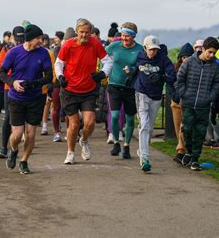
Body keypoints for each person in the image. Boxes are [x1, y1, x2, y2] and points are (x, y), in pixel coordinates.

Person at [55, 18, 113, 164]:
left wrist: (102, 74)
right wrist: (60, 76)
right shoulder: (68, 45)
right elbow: (59, 63)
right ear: (76, 32)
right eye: (81, 32)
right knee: (74, 124)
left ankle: (84, 140)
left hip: (88, 89)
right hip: (70, 89)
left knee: (90, 122)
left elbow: (108, 61)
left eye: (87, 32)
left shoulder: (95, 43)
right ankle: (70, 153)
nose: (84, 35)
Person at [0, 24, 53, 174]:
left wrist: (33, 83)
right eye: (38, 38)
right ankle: (14, 150)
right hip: (16, 97)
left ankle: (24, 161)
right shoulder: (14, 53)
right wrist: (13, 83)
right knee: (17, 134)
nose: (41, 41)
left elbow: (49, 77)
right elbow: (1, 72)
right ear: (29, 39)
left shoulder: (44, 54)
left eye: (41, 38)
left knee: (30, 133)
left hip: (35, 97)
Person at [175, 37, 219, 171]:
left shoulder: (214, 67)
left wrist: (210, 97)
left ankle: (195, 158)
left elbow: (217, 83)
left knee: (200, 132)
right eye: (210, 52)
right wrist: (184, 94)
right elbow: (180, 79)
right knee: (187, 130)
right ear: (204, 49)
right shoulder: (189, 62)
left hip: (204, 105)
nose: (212, 55)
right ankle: (188, 152)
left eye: (214, 53)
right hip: (189, 104)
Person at [133, 35, 176, 172]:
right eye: (150, 49)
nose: (153, 52)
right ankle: (144, 158)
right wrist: (129, 75)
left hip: (156, 97)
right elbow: (134, 68)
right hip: (141, 94)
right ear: (145, 48)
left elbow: (173, 77)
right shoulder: (140, 57)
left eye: (155, 49)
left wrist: (161, 77)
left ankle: (142, 149)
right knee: (144, 124)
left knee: (150, 128)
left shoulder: (163, 60)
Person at [105, 22, 143, 159]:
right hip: (114, 85)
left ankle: (126, 145)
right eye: (123, 35)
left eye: (128, 36)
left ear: (133, 36)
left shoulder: (139, 50)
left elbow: (143, 66)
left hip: (131, 88)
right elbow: (103, 57)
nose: (124, 39)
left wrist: (133, 70)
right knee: (114, 116)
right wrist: (103, 71)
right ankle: (116, 142)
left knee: (129, 119)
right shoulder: (114, 46)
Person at [0, 26, 25, 158]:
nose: (19, 41)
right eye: (17, 38)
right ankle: (3, 147)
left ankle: (17, 147)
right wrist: (11, 78)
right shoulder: (6, 49)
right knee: (8, 117)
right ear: (12, 37)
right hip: (9, 88)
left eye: (21, 38)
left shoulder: (28, 48)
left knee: (22, 119)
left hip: (25, 88)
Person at [171, 43, 194, 165]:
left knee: (183, 127)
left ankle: (181, 151)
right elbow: (171, 84)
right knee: (178, 126)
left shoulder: (195, 69)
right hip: (176, 102)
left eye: (188, 57)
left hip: (188, 101)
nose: (185, 59)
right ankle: (183, 150)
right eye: (183, 57)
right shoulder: (176, 69)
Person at [50, 30, 65, 142]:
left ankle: (71, 130)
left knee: (71, 109)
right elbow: (53, 67)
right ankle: (56, 132)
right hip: (57, 82)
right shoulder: (56, 50)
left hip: (71, 82)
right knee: (56, 107)